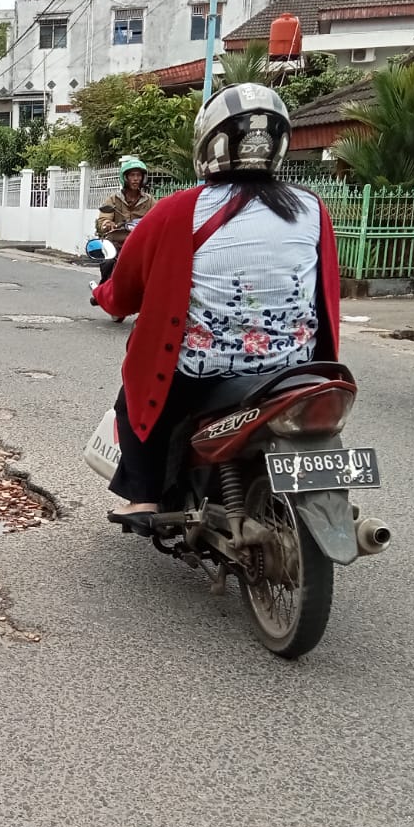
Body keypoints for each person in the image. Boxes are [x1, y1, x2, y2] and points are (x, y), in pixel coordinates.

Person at [94, 84, 341, 521]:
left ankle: (146, 496)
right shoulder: (311, 206)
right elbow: (322, 288)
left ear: (210, 143)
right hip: (296, 369)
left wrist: (104, 295)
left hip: (204, 372)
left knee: (133, 399)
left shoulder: (177, 209)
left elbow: (124, 291)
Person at [95, 155, 156, 249]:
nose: (136, 178)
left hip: (141, 242)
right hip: (117, 242)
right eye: (132, 175)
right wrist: (107, 223)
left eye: (139, 175)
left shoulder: (149, 200)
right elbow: (103, 219)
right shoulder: (114, 199)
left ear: (143, 178)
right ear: (125, 178)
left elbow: (158, 217)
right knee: (107, 262)